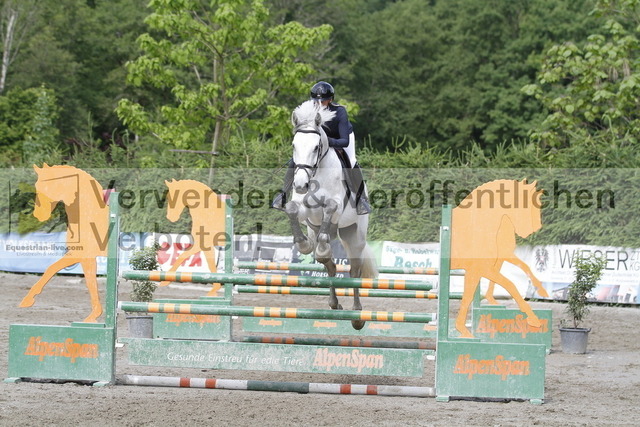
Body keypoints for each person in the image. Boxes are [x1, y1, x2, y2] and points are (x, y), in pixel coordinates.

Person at [271, 81, 372, 215]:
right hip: (318, 142)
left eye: (323, 101)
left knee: (352, 162)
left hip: (340, 138)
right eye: (316, 100)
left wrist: (326, 141)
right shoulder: (309, 111)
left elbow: (344, 141)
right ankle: (283, 196)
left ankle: (361, 200)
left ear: (330, 100)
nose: (319, 103)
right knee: (297, 160)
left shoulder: (340, 111)